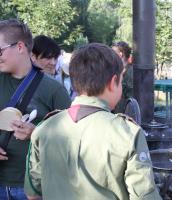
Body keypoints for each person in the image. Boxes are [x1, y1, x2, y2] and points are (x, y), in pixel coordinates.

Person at [24, 43, 161, 200]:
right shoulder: (128, 133)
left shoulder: (44, 128)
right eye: (121, 81)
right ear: (113, 82)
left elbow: (32, 193)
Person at [0, 19, 71, 200]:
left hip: (33, 188)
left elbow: (73, 140)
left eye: (0, 51)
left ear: (20, 47)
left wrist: (37, 133)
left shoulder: (54, 90)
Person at [112, 41, 133, 113]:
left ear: (120, 54)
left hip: (126, 116)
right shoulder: (117, 71)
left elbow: (131, 100)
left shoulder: (131, 73)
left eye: (113, 53)